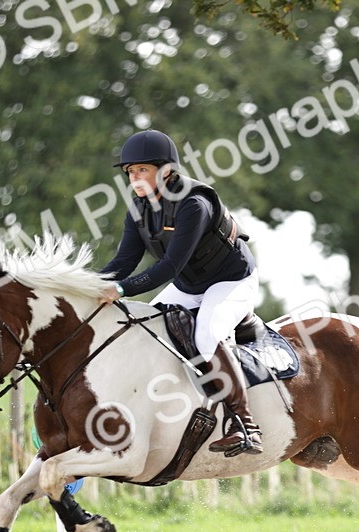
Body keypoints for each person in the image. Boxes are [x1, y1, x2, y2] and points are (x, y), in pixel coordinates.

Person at [97, 130, 263, 456]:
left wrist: (119, 289)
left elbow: (168, 267)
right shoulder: (139, 209)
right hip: (189, 286)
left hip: (231, 281)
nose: (134, 178)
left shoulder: (193, 205)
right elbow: (124, 262)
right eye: (130, 172)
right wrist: (86, 286)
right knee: (141, 332)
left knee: (207, 335)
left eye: (142, 170)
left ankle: (245, 425)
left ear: (166, 170)